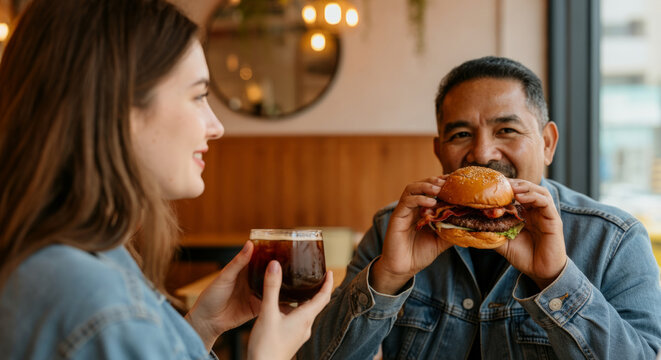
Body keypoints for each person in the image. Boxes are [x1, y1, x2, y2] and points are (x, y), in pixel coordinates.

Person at [0, 0, 332, 359]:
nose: (216, 128)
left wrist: (201, 328)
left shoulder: (66, 260)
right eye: (199, 95)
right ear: (118, 108)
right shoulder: (100, 303)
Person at [298, 56, 661, 359]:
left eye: (507, 130)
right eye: (460, 135)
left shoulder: (613, 240)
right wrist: (388, 278)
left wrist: (556, 280)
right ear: (439, 151)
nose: (483, 153)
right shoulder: (395, 227)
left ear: (547, 143)